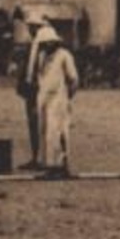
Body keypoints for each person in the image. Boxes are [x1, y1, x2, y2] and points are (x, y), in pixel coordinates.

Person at [31, 25, 79, 177]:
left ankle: (60, 165)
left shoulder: (64, 55)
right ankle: (48, 164)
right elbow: (40, 78)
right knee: (45, 131)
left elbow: (74, 79)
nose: (46, 45)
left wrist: (68, 96)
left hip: (58, 99)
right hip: (44, 97)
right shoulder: (42, 56)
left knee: (57, 131)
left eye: (48, 42)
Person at [15, 12, 47, 168]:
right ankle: (37, 156)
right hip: (31, 88)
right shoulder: (32, 44)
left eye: (32, 27)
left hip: (39, 89)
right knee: (34, 123)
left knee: (40, 123)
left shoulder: (42, 45)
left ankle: (42, 157)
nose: (30, 30)